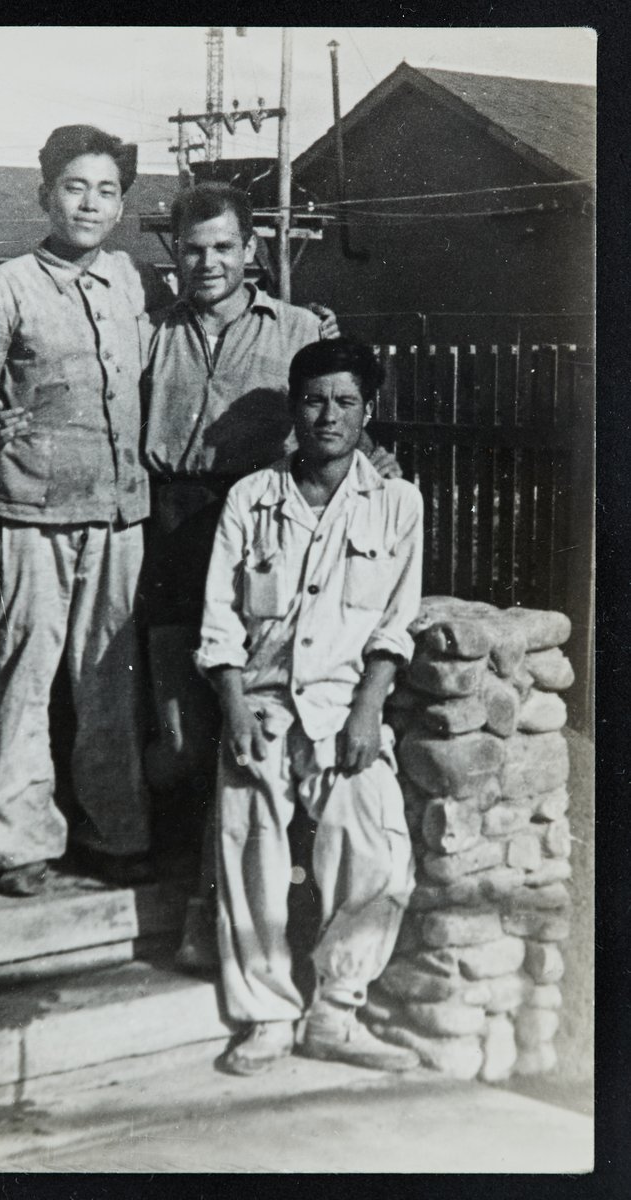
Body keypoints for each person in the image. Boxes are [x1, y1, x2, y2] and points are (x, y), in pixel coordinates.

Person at [137, 184, 401, 966]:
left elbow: (340, 417)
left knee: (256, 730)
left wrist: (380, 466)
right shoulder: (150, 333)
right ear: (175, 254)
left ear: (250, 249)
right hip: (172, 528)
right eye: (193, 249)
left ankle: (220, 917)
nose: (208, 262)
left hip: (264, 535)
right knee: (182, 734)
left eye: (224, 246)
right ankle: (190, 892)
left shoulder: (300, 329)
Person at [0, 125, 172, 896]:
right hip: (29, 518)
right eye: (75, 187)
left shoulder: (133, 282)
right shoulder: (4, 290)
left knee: (111, 683)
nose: (90, 203)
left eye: (107, 190)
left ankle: (116, 832)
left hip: (119, 518)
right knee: (25, 677)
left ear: (122, 205)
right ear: (46, 194)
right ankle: (17, 842)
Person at [195, 338, 423, 1075]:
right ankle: (265, 1015)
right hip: (259, 706)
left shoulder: (397, 504)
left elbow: (395, 622)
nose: (329, 416)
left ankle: (336, 1011)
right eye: (315, 401)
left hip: (342, 708)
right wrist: (233, 708)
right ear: (295, 409)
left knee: (378, 852)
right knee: (249, 849)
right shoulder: (251, 500)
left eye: (345, 401)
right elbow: (220, 621)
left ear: (368, 411)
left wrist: (368, 710)